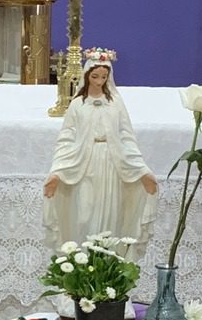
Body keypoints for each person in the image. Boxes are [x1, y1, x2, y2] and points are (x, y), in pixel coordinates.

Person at [42, 50, 157, 261]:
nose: (99, 81)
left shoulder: (116, 103)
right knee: (84, 215)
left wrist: (141, 170)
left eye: (103, 77)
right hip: (84, 165)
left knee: (109, 218)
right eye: (95, 77)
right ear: (87, 76)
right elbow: (67, 137)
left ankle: (104, 271)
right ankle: (82, 265)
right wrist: (57, 171)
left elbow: (126, 137)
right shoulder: (77, 104)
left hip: (111, 165)